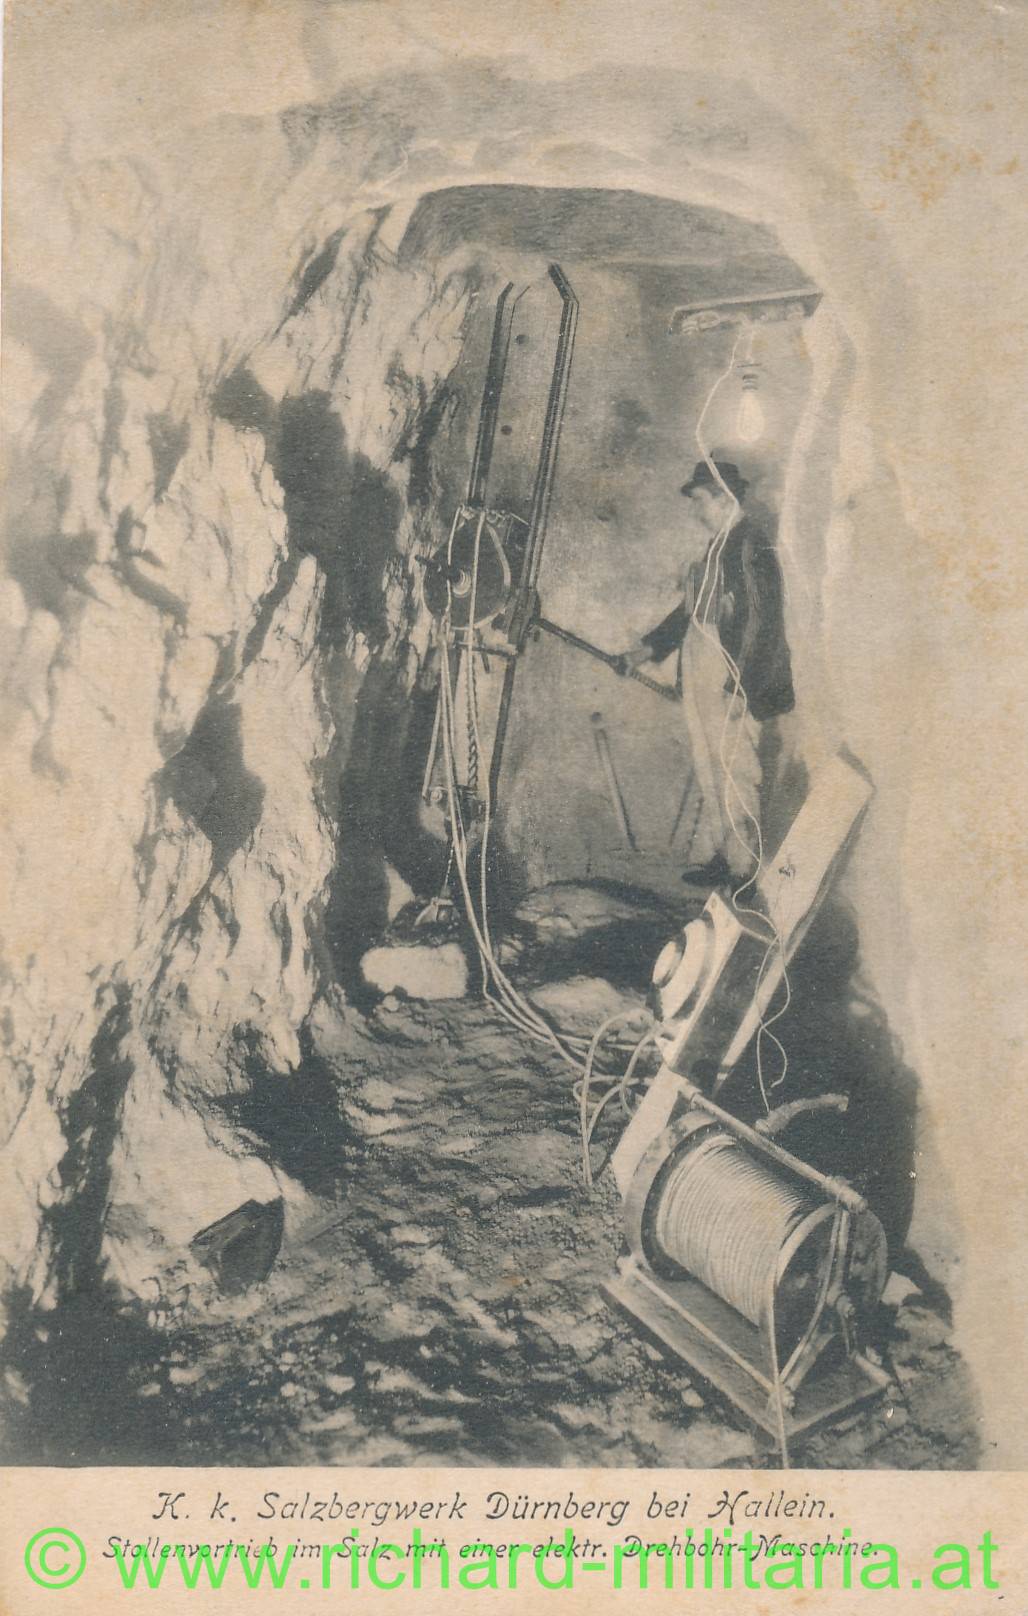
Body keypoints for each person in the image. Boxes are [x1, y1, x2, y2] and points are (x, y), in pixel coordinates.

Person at [618, 459, 794, 889]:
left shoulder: (750, 545)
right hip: (702, 670)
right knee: (709, 764)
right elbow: (690, 613)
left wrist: (740, 685)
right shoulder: (717, 547)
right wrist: (647, 649)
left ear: (724, 499)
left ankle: (745, 869)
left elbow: (761, 622)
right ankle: (725, 855)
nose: (695, 510)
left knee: (736, 770)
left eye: (699, 500)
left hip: (729, 676)